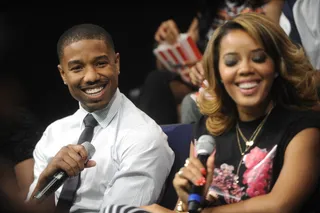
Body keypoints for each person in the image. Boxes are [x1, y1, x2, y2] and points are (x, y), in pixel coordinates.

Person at [171, 12, 320, 213]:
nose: (245, 69)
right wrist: (185, 200)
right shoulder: (208, 129)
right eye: (231, 62)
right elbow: (188, 205)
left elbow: (278, 206)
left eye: (258, 58)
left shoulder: (304, 129)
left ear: (276, 66)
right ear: (218, 72)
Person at [26, 23, 174, 213]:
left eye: (100, 64)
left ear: (117, 63)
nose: (91, 77)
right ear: (63, 74)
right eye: (77, 68)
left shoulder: (144, 137)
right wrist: (43, 185)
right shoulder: (53, 133)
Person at [137, 0, 284, 125]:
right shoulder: (211, 7)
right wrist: (168, 42)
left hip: (234, 78)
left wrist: (210, 64)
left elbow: (273, 52)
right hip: (202, 80)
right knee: (156, 80)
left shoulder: (270, 4)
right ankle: (152, 147)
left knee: (190, 102)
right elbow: (165, 65)